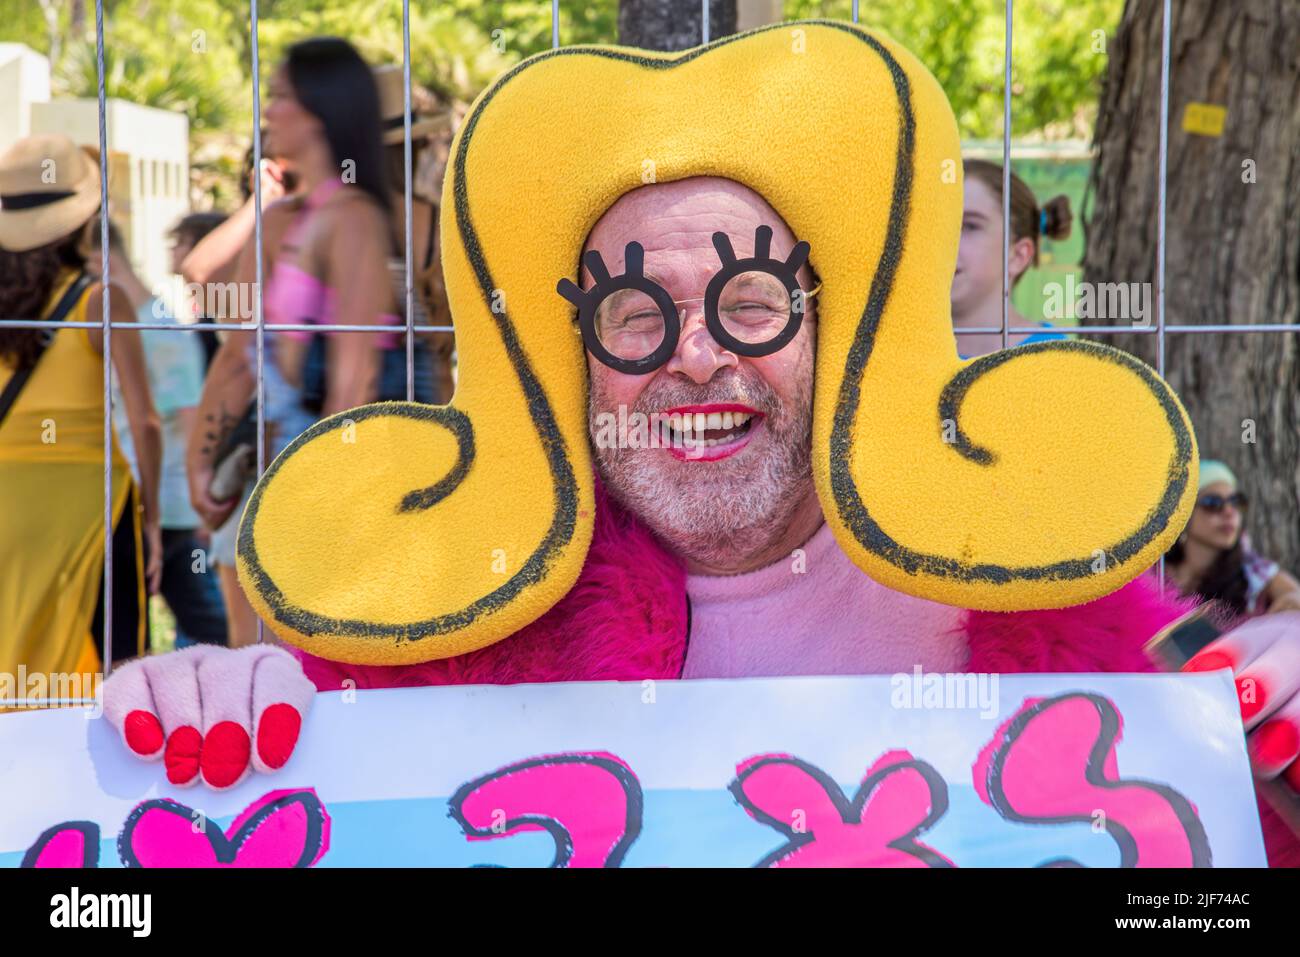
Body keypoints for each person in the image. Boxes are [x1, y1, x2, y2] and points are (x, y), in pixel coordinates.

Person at [104, 22, 1300, 866]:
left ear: (839, 332)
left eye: (753, 305)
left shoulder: (1035, 611)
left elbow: (1198, 837)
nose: (693, 356)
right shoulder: (453, 641)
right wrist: (223, 716)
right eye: (633, 315)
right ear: (571, 362)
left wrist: (1277, 769)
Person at [187, 36, 404, 647]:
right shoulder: (285, 216)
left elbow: (353, 382)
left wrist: (322, 512)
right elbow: (237, 347)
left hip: (321, 488)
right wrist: (201, 461)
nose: (268, 111)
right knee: (248, 657)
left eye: (281, 96)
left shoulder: (355, 217)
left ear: (319, 109)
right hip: (268, 472)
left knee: (297, 668)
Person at [0, 134, 162, 676]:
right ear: (81, 218)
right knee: (118, 662)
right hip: (92, 500)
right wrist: (154, 518)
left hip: (7, 496)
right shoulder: (101, 301)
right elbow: (145, 420)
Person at [87, 221, 228, 649]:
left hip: (168, 511)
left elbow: (190, 416)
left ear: (101, 259)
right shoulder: (142, 320)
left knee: (214, 635)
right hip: (145, 503)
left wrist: (199, 503)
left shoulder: (157, 327)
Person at [375, 64, 456, 405]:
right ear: (418, 144)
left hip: (361, 384)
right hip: (428, 383)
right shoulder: (440, 217)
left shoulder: (348, 216)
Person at [951, 159, 1070, 358]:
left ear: (1018, 256)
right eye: (933, 223)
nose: (941, 240)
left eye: (969, 226)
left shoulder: (1057, 360)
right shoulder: (892, 353)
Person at [1166, 459, 1300, 621]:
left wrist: (1292, 600)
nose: (1229, 512)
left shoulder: (1253, 570)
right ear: (1183, 514)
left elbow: (1293, 594)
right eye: (1213, 503)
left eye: (1235, 502)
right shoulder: (1155, 574)